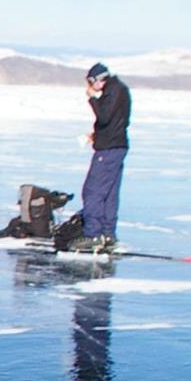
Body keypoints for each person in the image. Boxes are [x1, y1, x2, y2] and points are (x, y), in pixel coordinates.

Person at [75, 62, 131, 252]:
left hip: (108, 150)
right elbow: (115, 121)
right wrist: (97, 135)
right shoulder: (119, 90)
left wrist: (92, 99)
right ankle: (108, 234)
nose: (90, 87)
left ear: (98, 80)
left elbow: (105, 116)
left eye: (91, 83)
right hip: (116, 146)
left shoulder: (114, 91)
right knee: (109, 193)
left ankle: (94, 235)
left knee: (93, 191)